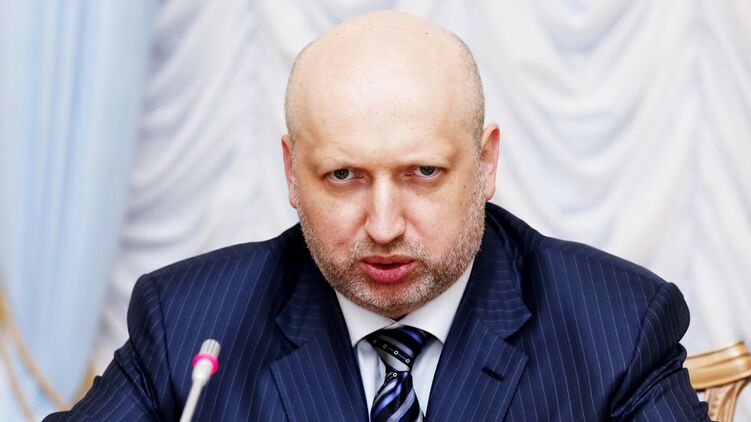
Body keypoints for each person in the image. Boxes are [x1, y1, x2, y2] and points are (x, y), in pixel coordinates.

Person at [46, 10, 709, 422]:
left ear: (485, 165)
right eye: (344, 176)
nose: (385, 226)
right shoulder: (190, 325)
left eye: (422, 173)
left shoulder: (616, 328)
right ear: (291, 172)